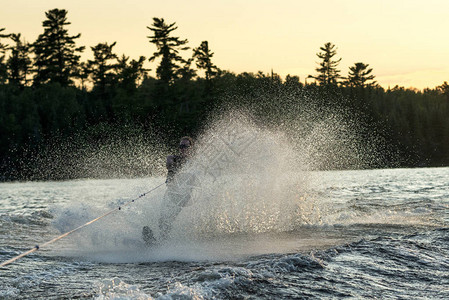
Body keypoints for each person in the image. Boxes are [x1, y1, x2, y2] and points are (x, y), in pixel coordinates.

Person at [142, 136, 196, 246]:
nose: (182, 149)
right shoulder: (173, 158)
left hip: (184, 196)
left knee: (169, 219)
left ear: (191, 148)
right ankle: (161, 242)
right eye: (181, 146)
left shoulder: (194, 162)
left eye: (185, 146)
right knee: (162, 220)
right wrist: (172, 168)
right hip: (170, 194)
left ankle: (164, 243)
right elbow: (169, 163)